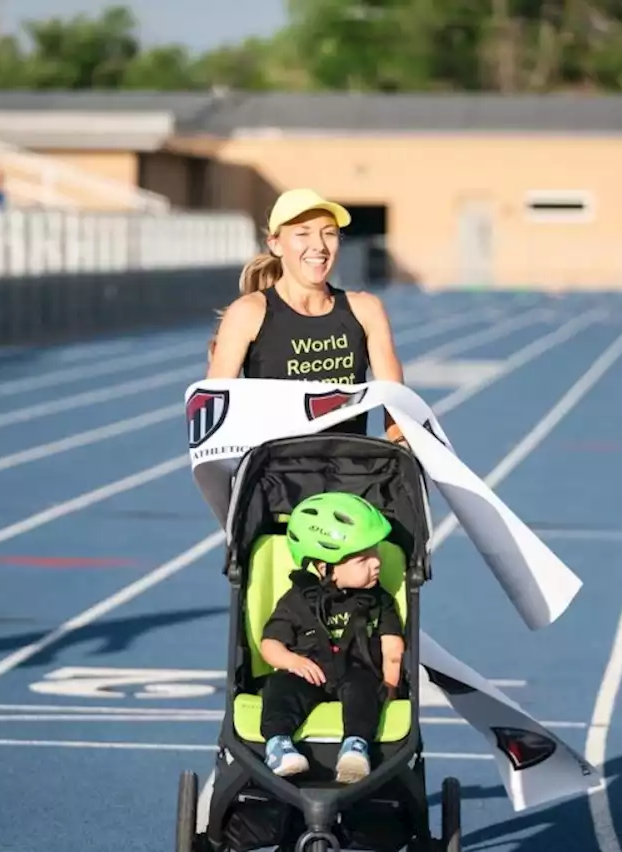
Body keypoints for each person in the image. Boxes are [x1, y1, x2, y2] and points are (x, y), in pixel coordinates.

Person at [207, 188, 408, 445]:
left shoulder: (366, 309)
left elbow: (395, 401)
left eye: (330, 234)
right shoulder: (247, 314)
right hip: (277, 475)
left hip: (351, 473)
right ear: (276, 244)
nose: (320, 246)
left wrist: (402, 444)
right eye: (303, 234)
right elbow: (214, 411)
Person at [257, 491, 406, 784]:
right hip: (307, 672)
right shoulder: (298, 600)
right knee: (279, 687)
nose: (377, 563)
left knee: (364, 690)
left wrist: (391, 685)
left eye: (375, 553)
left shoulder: (379, 600)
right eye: (363, 559)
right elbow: (270, 643)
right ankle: (279, 744)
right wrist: (291, 661)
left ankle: (355, 747)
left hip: (357, 672)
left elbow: (393, 647)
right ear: (324, 566)